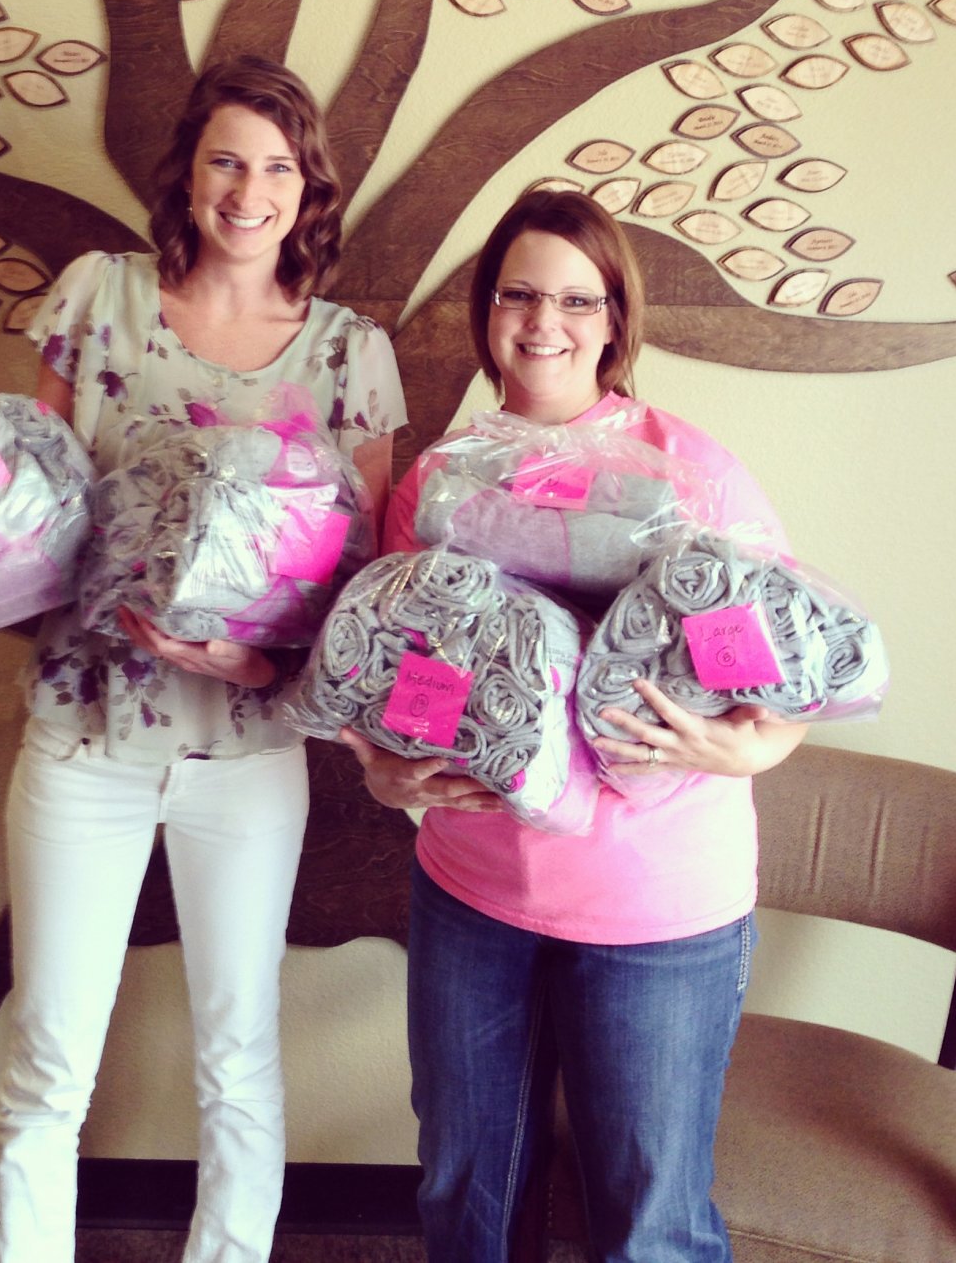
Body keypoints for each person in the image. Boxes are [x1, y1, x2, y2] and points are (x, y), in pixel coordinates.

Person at [0, 55, 407, 1263]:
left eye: (276, 168)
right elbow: (31, 509)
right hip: (84, 739)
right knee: (48, 1055)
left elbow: (359, 588)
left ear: (308, 189)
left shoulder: (349, 354)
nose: (248, 192)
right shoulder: (99, 297)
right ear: (187, 175)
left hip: (247, 752)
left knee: (238, 1054)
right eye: (225, 162)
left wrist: (252, 668)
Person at [339, 188, 805, 1263]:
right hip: (473, 893)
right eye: (519, 295)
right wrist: (384, 773)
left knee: (648, 1227)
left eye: (576, 300)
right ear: (487, 311)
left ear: (614, 320)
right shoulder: (441, 482)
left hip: (656, 910)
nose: (544, 322)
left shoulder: (689, 475)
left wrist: (754, 748)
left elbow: (785, 675)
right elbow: (396, 677)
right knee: (467, 1200)